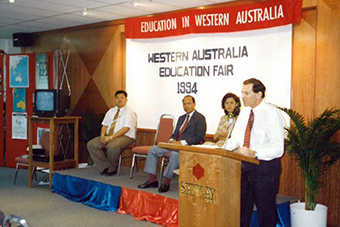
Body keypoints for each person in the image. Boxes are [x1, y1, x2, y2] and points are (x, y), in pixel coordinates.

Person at [225, 78, 284, 227]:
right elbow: (235, 139)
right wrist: (219, 150)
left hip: (265, 168)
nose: (242, 96)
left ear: (259, 94)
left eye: (246, 93)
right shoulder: (245, 113)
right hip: (245, 168)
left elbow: (278, 148)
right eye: (242, 92)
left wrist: (255, 153)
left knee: (265, 212)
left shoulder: (271, 113)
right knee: (242, 210)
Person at [138, 95, 207, 193]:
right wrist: (171, 139)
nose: (186, 106)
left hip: (187, 147)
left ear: (194, 104)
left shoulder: (200, 118)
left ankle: (166, 182)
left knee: (174, 155)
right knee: (153, 150)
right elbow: (175, 134)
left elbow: (199, 138)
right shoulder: (181, 118)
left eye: (189, 103)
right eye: (184, 104)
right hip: (174, 145)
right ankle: (152, 180)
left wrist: (181, 143)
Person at [87, 90, 136, 176]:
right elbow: (104, 125)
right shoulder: (111, 111)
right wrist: (102, 135)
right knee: (91, 144)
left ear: (126, 99)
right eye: (117, 98)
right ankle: (104, 167)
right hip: (109, 135)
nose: (119, 100)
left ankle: (113, 168)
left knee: (112, 146)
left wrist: (111, 137)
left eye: (122, 98)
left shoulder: (129, 113)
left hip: (126, 137)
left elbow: (126, 128)